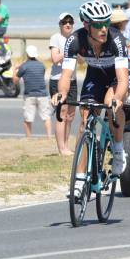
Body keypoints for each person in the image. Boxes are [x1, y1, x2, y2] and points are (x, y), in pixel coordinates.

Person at [51, 0, 130, 194]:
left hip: (115, 78)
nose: (104, 28)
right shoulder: (74, 41)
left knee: (111, 105)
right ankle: (79, 179)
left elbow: (122, 79)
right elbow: (66, 75)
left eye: (106, 22)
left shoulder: (116, 39)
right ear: (86, 25)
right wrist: (61, 94)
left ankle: (119, 150)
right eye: (97, 24)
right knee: (84, 121)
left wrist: (118, 98)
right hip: (94, 76)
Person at [49, 12, 77, 155]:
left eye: (70, 22)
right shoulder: (56, 38)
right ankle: (61, 148)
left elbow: (82, 59)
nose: (68, 24)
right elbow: (54, 58)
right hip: (58, 79)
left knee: (71, 115)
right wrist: (68, 51)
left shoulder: (75, 38)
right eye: (65, 22)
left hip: (72, 80)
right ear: (60, 24)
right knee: (62, 113)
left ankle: (66, 145)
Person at [15, 45, 53, 138]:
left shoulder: (24, 66)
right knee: (46, 117)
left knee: (28, 118)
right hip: (42, 94)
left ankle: (29, 137)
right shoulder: (41, 65)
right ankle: (49, 136)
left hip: (29, 95)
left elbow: (15, 80)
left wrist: (14, 68)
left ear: (27, 54)